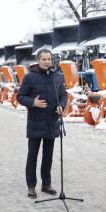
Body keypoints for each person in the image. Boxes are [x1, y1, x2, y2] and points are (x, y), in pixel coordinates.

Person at [17, 49, 67, 199]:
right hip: (36, 122)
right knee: (33, 156)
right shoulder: (30, 77)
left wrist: (62, 106)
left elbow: (64, 95)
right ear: (38, 60)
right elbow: (20, 96)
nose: (47, 62)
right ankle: (31, 186)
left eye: (49, 59)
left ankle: (46, 184)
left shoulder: (57, 77)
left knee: (48, 156)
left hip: (52, 122)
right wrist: (33, 102)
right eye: (44, 59)